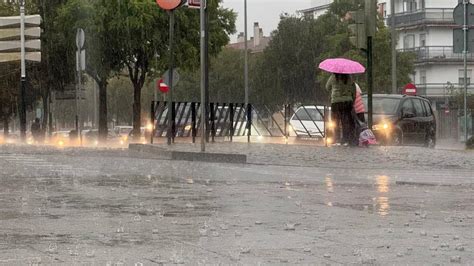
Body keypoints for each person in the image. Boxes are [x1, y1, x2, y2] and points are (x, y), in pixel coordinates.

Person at [326, 73, 356, 146]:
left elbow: (327, 87)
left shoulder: (333, 77)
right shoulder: (349, 77)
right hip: (347, 102)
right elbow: (353, 90)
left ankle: (337, 139)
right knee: (345, 121)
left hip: (336, 102)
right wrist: (352, 99)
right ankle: (345, 139)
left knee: (335, 121)